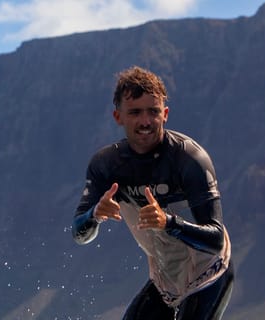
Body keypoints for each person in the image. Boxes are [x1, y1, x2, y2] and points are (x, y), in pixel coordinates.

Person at [71, 66, 234, 319]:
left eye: (153, 112)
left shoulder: (189, 158)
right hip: (165, 280)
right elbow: (79, 234)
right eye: (135, 112)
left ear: (165, 114)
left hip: (210, 272)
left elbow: (215, 240)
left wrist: (168, 222)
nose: (145, 121)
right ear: (118, 116)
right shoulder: (107, 165)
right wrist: (94, 214)